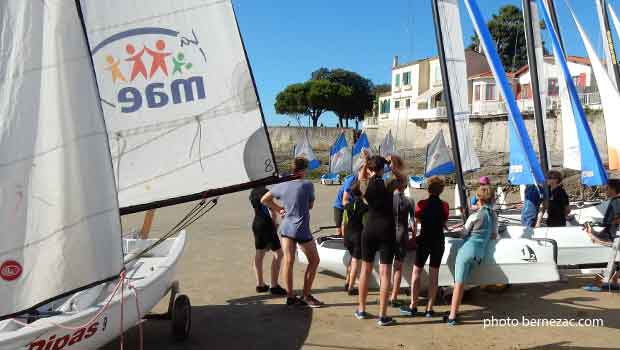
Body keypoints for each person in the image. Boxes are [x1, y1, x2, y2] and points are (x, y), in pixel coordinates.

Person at [261, 157, 323, 307]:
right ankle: (306, 296)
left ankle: (290, 297)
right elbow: (310, 206)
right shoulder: (307, 185)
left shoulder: (282, 185)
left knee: (288, 261)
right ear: (303, 169)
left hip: (286, 227)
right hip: (301, 228)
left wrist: (279, 209)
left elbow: (264, 199)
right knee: (314, 261)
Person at [444, 186, 498, 325]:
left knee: (458, 285)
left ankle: (452, 317)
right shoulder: (493, 215)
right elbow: (493, 235)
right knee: (462, 284)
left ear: (479, 199)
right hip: (479, 255)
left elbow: (463, 234)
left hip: (466, 251)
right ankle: (453, 312)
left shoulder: (474, 216)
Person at [400, 176, 449, 318]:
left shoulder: (421, 204)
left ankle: (413, 306)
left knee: (416, 273)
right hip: (438, 241)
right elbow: (443, 221)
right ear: (441, 190)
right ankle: (429, 309)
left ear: (428, 189)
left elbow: (417, 220)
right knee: (434, 275)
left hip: (425, 240)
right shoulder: (445, 205)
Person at [355, 156, 396, 326]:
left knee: (365, 270)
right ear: (382, 169)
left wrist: (366, 163)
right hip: (387, 229)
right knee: (385, 273)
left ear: (370, 169)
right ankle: (383, 315)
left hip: (369, 228)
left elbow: (361, 178)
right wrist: (391, 166)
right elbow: (403, 178)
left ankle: (362, 309)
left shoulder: (365, 184)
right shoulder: (389, 183)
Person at [583, 178, 620, 292]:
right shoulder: (615, 200)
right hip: (613, 233)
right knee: (615, 260)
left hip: (614, 235)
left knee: (611, 260)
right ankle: (613, 281)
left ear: (613, 189)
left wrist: (610, 222)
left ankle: (599, 283)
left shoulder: (616, 200)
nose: (605, 190)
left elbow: (618, 216)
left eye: (607, 188)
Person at [249, 186, 287, 295]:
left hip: (256, 223)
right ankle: (274, 285)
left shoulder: (253, 192)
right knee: (279, 254)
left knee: (259, 253)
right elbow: (271, 210)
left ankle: (260, 284)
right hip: (266, 224)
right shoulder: (265, 191)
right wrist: (274, 224)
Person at [388, 177, 416, 307]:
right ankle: (394, 296)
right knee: (398, 267)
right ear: (405, 187)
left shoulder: (388, 199)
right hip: (402, 234)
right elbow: (413, 223)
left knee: (386, 266)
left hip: (389, 234)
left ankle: (385, 293)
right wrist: (414, 237)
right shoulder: (410, 200)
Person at [342, 182, 368, 295]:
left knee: (351, 259)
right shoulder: (365, 208)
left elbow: (344, 222)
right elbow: (366, 224)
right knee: (355, 262)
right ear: (363, 194)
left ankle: (347, 282)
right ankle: (351, 288)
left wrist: (344, 236)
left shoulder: (347, 206)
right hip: (358, 236)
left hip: (348, 236)